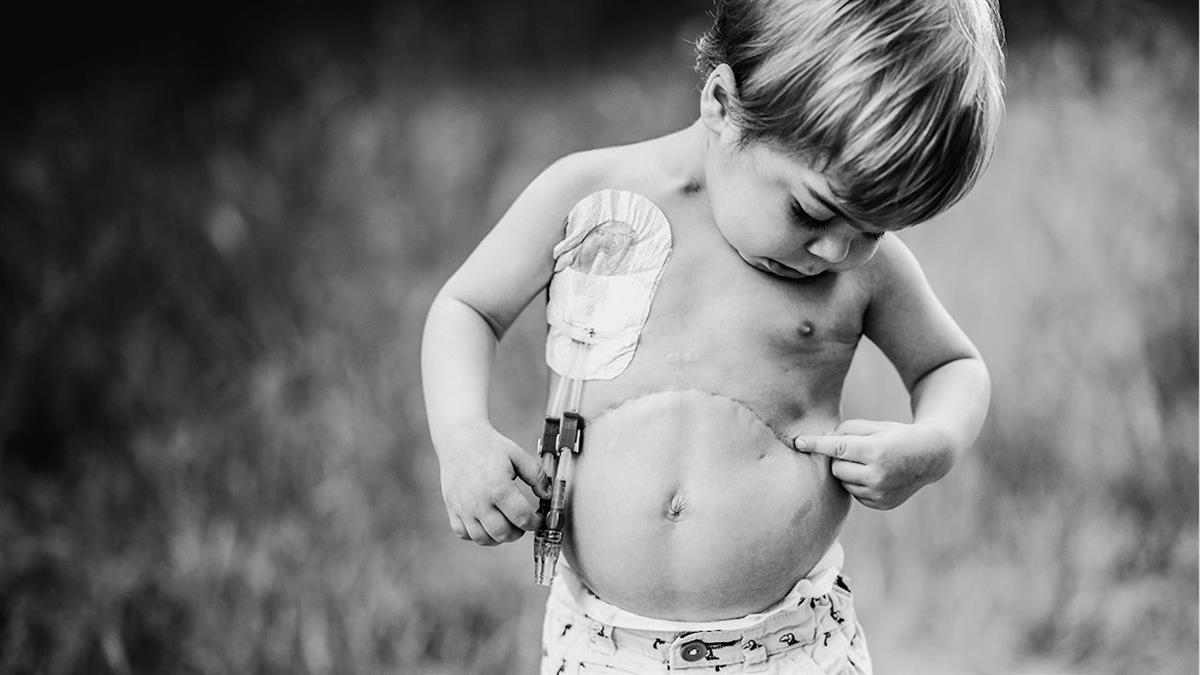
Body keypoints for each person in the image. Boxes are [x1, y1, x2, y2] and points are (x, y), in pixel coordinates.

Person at [421, 0, 1004, 671]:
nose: (838, 250)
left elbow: (954, 366)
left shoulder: (867, 271)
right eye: (810, 209)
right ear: (723, 103)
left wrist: (932, 444)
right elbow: (468, 307)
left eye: (872, 228)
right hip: (604, 645)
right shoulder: (587, 199)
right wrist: (461, 435)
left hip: (790, 644)